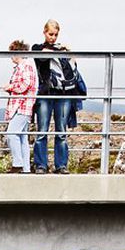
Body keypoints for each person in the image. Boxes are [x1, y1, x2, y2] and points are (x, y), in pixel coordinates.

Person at [32, 20, 77, 174]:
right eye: (50, 34)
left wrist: (68, 54)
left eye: (55, 35)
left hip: (63, 93)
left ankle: (61, 165)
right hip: (45, 93)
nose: (53, 37)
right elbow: (41, 57)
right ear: (44, 32)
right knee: (42, 130)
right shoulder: (37, 48)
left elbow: (73, 68)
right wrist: (55, 51)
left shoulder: (62, 50)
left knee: (61, 132)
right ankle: (41, 165)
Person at [4, 42, 38, 173]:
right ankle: (26, 168)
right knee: (22, 137)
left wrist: (10, 87)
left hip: (22, 106)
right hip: (24, 106)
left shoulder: (26, 65)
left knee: (11, 134)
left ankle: (17, 164)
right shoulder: (26, 65)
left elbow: (26, 84)